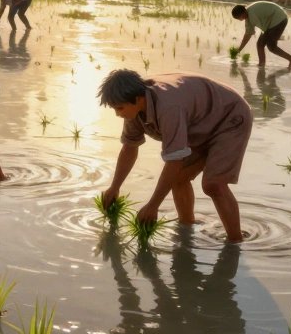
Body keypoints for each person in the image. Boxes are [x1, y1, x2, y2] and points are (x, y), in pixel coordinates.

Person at [97, 69, 253, 243]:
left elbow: (174, 161)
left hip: (229, 117)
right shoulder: (133, 110)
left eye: (119, 108)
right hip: (199, 123)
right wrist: (114, 187)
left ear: (138, 99)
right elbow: (129, 148)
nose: (118, 114)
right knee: (178, 179)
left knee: (213, 185)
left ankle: (235, 244)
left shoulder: (169, 107)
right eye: (114, 109)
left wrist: (153, 206)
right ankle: (186, 229)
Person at [231, 2, 291, 69]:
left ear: (242, 14)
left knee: (267, 45)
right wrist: (239, 49)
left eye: (239, 18)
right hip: (273, 22)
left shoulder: (252, 14)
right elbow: (248, 33)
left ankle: (262, 64)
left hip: (279, 19)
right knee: (263, 44)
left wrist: (239, 49)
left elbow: (248, 35)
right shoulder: (249, 15)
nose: (240, 20)